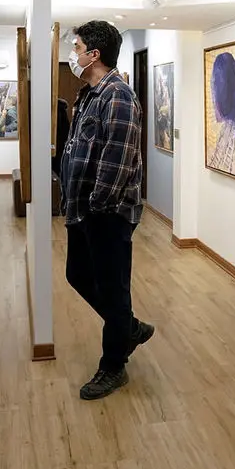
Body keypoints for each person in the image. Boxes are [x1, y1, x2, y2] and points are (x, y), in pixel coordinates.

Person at [61, 20, 153, 400]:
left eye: (77, 47)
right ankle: (128, 328)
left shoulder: (118, 97)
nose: (73, 54)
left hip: (106, 213)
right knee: (77, 274)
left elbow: (116, 162)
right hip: (83, 210)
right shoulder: (89, 94)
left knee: (113, 291)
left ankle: (114, 366)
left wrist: (96, 208)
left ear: (93, 54)